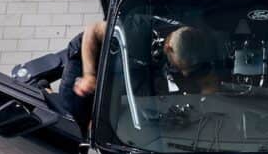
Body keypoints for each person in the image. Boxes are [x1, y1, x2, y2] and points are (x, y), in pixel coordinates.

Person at [58, 19, 219, 131]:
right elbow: (92, 30)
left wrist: (204, 105)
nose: (184, 73)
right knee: (72, 109)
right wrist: (89, 75)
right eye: (180, 66)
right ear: (168, 47)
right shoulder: (135, 30)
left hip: (129, 66)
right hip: (93, 58)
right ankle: (48, 94)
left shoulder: (193, 41)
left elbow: (210, 83)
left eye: (188, 68)